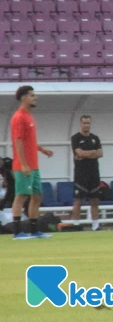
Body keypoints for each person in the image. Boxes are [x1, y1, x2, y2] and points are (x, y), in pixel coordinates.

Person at [10, 85, 54, 240]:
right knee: (21, 196)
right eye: (32, 95)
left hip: (33, 165)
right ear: (24, 97)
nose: (35, 98)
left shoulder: (29, 116)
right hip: (24, 166)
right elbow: (18, 141)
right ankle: (17, 232)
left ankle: (34, 230)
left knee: (37, 195)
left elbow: (29, 141)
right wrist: (23, 163)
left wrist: (41, 149)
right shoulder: (19, 117)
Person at [70, 115, 103, 231]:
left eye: (88, 123)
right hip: (80, 174)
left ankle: (95, 225)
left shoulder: (95, 138)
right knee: (78, 200)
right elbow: (79, 153)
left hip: (94, 173)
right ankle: (75, 224)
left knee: (95, 200)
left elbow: (100, 153)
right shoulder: (75, 138)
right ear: (80, 124)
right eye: (84, 123)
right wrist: (92, 152)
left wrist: (86, 154)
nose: (86, 125)